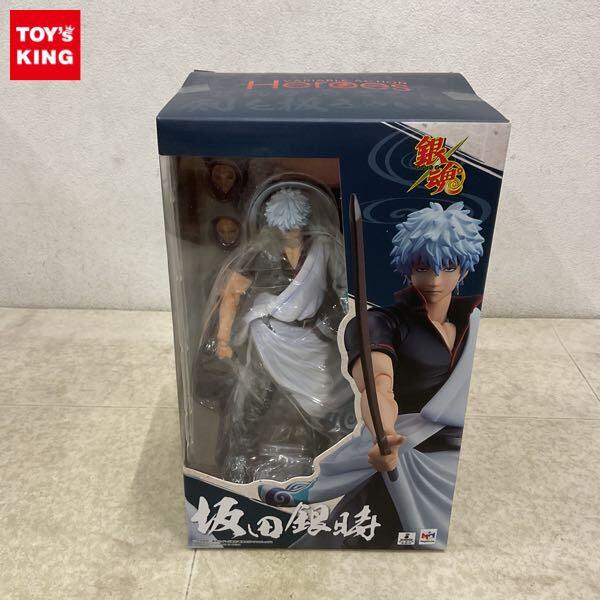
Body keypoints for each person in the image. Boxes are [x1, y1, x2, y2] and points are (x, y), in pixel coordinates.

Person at [259, 201, 485, 549]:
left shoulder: (472, 322)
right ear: (408, 268)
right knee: (367, 527)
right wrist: (386, 433)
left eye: (448, 266)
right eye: (423, 267)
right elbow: (378, 384)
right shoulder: (382, 322)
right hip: (405, 448)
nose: (435, 280)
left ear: (464, 269)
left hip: (452, 457)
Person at [214, 187, 354, 483]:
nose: (292, 232)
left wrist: (348, 326)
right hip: (268, 335)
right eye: (285, 227)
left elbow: (344, 290)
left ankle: (326, 457)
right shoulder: (262, 250)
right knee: (254, 396)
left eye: (297, 225)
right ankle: (239, 457)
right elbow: (231, 293)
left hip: (312, 337)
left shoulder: (323, 247)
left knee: (325, 397)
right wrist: (224, 339)